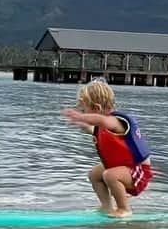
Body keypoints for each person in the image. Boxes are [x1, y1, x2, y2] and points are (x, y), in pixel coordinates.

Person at [63, 80, 154, 217]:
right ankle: (106, 207)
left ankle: (124, 209)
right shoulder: (102, 126)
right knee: (94, 174)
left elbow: (103, 121)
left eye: (84, 110)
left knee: (109, 175)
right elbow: (93, 129)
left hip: (138, 172)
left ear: (97, 108)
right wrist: (80, 122)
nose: (83, 113)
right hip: (124, 168)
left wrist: (81, 117)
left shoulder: (115, 121)